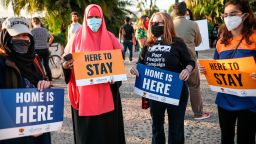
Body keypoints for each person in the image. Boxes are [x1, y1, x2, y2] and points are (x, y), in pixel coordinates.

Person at [62, 4, 125, 144]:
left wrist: (116, 78)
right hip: (85, 97)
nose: (94, 20)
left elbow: (119, 60)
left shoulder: (110, 37)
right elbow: (65, 60)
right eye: (90, 17)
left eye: (97, 17)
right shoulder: (76, 38)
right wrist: (66, 66)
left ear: (102, 18)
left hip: (108, 95)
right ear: (85, 18)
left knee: (108, 135)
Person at [130, 12, 195, 144]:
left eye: (157, 23)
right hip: (155, 92)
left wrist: (187, 70)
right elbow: (141, 63)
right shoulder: (148, 44)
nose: (154, 26)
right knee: (156, 127)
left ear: (167, 24)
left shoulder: (177, 42)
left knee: (176, 128)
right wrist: (135, 68)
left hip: (175, 91)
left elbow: (190, 62)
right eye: (152, 23)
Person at [200, 0, 256, 143]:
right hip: (225, 101)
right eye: (225, 14)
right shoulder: (221, 42)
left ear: (244, 15)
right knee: (226, 139)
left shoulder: (254, 37)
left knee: (246, 139)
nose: (228, 18)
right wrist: (207, 70)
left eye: (233, 14)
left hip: (249, 102)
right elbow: (216, 67)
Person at [0, 17, 51, 144]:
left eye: (25, 35)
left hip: (39, 131)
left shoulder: (34, 60)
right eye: (17, 35)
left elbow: (44, 84)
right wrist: (24, 129)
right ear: (6, 36)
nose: (22, 39)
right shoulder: (1, 61)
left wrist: (46, 84)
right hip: (13, 136)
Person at [172, 2, 210, 120]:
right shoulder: (193, 24)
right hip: (190, 60)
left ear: (174, 11)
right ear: (186, 12)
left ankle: (176, 113)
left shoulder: (170, 24)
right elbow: (198, 42)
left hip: (174, 60)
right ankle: (198, 113)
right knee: (194, 86)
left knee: (174, 86)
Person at [31, 17, 54, 83]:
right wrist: (48, 44)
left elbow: (29, 40)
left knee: (39, 66)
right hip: (45, 50)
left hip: (37, 50)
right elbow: (52, 37)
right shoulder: (45, 30)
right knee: (46, 65)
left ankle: (41, 80)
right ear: (40, 22)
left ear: (33, 23)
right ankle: (50, 80)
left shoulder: (32, 31)